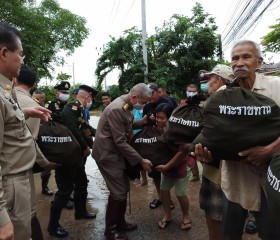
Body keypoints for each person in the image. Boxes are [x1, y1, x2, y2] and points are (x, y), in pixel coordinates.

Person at [191, 40, 280, 240]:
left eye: (246, 57)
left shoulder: (277, 87)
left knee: (271, 234)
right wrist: (205, 154)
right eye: (235, 58)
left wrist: (269, 150)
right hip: (234, 183)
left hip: (270, 182)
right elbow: (213, 133)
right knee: (230, 234)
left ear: (258, 62)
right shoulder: (221, 96)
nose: (239, 62)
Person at [0, 21, 51, 240]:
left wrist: (28, 113)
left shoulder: (6, 89)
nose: (22, 60)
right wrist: (2, 218)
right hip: (10, 185)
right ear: (4, 53)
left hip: (18, 179)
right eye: (20, 54)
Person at [92, 83, 153, 240]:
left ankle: (120, 223)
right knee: (118, 192)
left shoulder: (126, 105)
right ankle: (110, 231)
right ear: (135, 97)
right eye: (144, 102)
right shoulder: (117, 108)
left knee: (123, 188)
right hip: (108, 155)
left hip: (116, 153)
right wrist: (140, 161)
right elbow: (120, 141)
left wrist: (143, 122)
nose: (143, 105)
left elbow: (127, 125)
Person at [47, 84, 98, 238]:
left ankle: (80, 212)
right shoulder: (72, 107)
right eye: (91, 99)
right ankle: (52, 226)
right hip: (68, 154)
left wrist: (99, 134)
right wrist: (85, 146)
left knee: (82, 183)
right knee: (65, 190)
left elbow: (84, 128)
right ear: (88, 97)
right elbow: (73, 129)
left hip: (75, 155)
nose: (91, 101)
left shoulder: (79, 108)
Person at [14, 64, 58, 240]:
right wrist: (45, 162)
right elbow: (31, 140)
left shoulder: (8, 97)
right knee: (28, 212)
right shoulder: (33, 105)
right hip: (22, 167)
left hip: (10, 167)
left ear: (15, 78)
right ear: (33, 85)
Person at [198, 64, 234, 240]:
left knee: (217, 218)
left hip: (220, 174)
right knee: (212, 215)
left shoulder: (222, 100)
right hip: (212, 169)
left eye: (209, 82)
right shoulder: (229, 100)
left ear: (219, 81)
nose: (207, 86)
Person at [133, 83, 174, 209]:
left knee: (167, 172)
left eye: (152, 93)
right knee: (155, 173)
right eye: (148, 94)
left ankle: (169, 199)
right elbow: (145, 125)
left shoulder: (167, 103)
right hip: (152, 142)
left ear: (157, 92)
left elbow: (172, 121)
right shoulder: (147, 106)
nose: (150, 96)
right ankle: (161, 198)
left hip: (166, 141)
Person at [153, 103, 192, 231]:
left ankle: (186, 216)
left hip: (182, 163)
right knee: (164, 191)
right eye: (157, 117)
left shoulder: (178, 130)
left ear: (170, 118)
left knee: (180, 193)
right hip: (167, 163)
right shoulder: (157, 128)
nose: (159, 120)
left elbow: (183, 152)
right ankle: (167, 215)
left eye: (162, 118)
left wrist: (166, 166)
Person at [46, 81, 74, 207]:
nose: (65, 94)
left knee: (68, 169)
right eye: (63, 92)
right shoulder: (52, 105)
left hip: (68, 141)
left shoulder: (68, 105)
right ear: (57, 92)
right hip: (57, 141)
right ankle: (62, 196)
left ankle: (67, 194)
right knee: (60, 170)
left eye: (67, 93)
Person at [179, 83, 201, 182]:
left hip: (199, 132)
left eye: (193, 92)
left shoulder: (201, 103)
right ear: (186, 92)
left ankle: (207, 175)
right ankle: (195, 174)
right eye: (189, 91)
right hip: (186, 132)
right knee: (190, 154)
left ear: (197, 92)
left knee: (201, 152)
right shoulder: (183, 103)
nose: (191, 93)